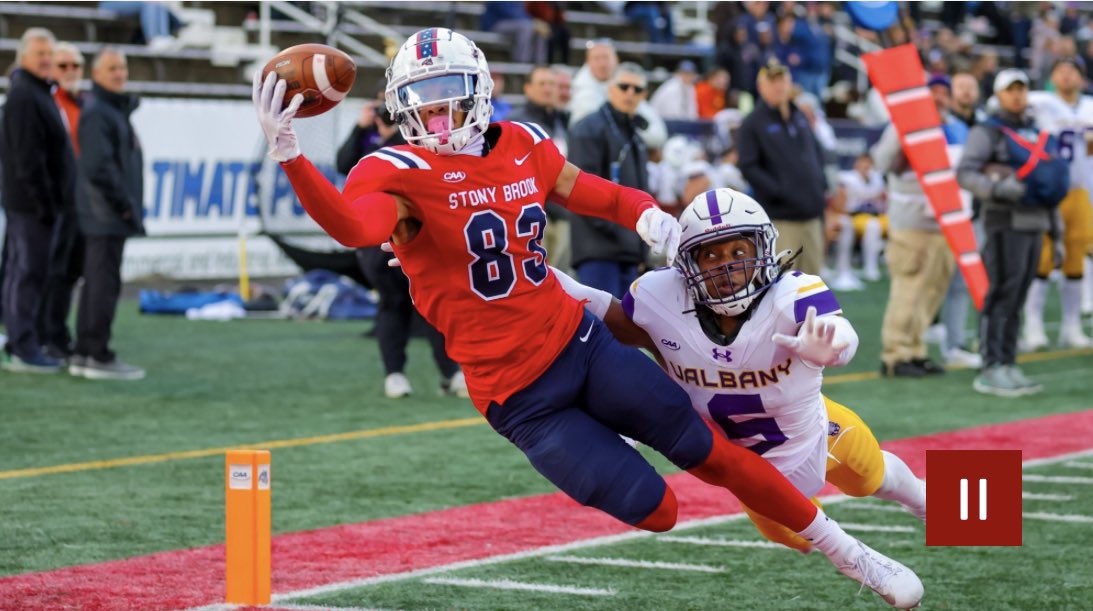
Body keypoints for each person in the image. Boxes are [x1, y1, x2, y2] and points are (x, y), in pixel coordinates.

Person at [254, 28, 922, 608]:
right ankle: (922, 505)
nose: (434, 110)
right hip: (519, 396)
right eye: (419, 98)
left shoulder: (522, 143)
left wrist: (643, 214)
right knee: (658, 510)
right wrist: (290, 153)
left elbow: (588, 191)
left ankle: (856, 552)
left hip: (582, 345)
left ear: (481, 88)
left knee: (746, 456)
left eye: (448, 90)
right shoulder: (392, 171)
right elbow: (349, 226)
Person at [553, 187, 927, 557]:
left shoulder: (791, 295)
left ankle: (928, 502)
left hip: (816, 435)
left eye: (738, 251)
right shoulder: (660, 299)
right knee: (799, 540)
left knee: (873, 476)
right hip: (751, 474)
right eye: (711, 255)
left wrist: (835, 347)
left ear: (762, 249)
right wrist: (539, 277)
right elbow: (607, 312)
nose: (727, 265)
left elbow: (837, 331)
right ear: (686, 265)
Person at [334, 98, 467, 399]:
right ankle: (395, 374)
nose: (384, 114)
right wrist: (360, 128)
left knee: (434, 304)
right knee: (391, 304)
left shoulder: (416, 134)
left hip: (416, 234)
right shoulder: (367, 136)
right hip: (378, 239)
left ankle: (450, 372)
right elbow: (344, 164)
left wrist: (391, 133)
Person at [958, 68, 1069, 396]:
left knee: (1017, 296)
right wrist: (998, 189)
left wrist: (1057, 234)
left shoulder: (1036, 132)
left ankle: (1007, 361)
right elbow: (965, 173)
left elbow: (1049, 188)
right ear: (998, 94)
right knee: (1001, 294)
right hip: (1004, 221)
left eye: (1022, 89)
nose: (1017, 95)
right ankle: (991, 366)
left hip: (1035, 223)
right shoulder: (988, 131)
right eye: (1011, 90)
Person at [873, 74, 963, 378]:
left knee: (931, 292)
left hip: (943, 222)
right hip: (911, 223)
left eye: (943, 93)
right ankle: (895, 354)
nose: (938, 97)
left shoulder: (953, 129)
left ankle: (916, 349)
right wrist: (903, 130)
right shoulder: (903, 124)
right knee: (908, 289)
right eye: (933, 92)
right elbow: (881, 161)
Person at [1, 28, 76, 373]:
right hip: (32, 205)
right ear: (24, 57)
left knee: (25, 272)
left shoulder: (36, 92)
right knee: (27, 274)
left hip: (35, 203)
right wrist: (44, 203)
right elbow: (27, 159)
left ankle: (21, 339)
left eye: (50, 53)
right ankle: (23, 345)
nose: (47, 59)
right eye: (40, 54)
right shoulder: (24, 96)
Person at [70, 48, 145, 380]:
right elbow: (98, 167)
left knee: (99, 283)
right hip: (105, 213)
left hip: (107, 213)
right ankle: (95, 353)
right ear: (96, 74)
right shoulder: (100, 111)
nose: (119, 73)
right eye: (112, 68)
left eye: (123, 67)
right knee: (102, 284)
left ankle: (86, 353)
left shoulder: (109, 109)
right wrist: (125, 204)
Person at [1022, 58, 1093, 350]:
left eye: (1071, 71)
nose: (1066, 76)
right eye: (1060, 71)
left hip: (1082, 192)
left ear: (1081, 77)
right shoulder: (1040, 102)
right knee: (1043, 258)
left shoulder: (1089, 105)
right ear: (1052, 77)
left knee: (1076, 258)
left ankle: (1071, 326)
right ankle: (1032, 326)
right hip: (1049, 193)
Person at [568, 63, 652, 298]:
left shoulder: (636, 136)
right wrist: (627, 232)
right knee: (602, 330)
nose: (630, 93)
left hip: (630, 250)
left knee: (628, 331)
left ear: (644, 95)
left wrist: (640, 244)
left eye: (637, 89)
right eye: (624, 86)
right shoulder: (588, 129)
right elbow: (580, 190)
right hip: (598, 249)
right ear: (610, 89)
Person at [737, 57, 827, 275]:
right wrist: (779, 192)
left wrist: (822, 186)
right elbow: (748, 166)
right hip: (782, 220)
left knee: (814, 285)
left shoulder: (800, 115)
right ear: (761, 86)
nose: (779, 85)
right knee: (783, 286)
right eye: (772, 80)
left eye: (782, 79)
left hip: (812, 215)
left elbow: (816, 153)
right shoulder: (753, 122)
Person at [38, 41, 87, 363]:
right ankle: (44, 335)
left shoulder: (86, 103)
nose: (69, 72)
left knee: (70, 273)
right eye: (63, 66)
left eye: (75, 66)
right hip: (56, 200)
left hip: (84, 201)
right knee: (50, 272)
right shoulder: (45, 103)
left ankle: (58, 334)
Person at [830, 153, 887, 292]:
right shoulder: (848, 179)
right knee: (870, 226)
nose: (866, 166)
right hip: (854, 216)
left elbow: (883, 200)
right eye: (863, 163)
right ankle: (857, 268)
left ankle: (877, 265)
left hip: (875, 215)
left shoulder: (877, 178)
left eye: (868, 163)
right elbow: (839, 203)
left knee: (885, 224)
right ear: (857, 164)